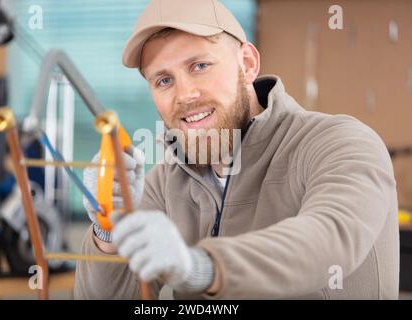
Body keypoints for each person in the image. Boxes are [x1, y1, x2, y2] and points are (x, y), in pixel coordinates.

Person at [74, 0, 399, 299]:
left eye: (199, 66)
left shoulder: (339, 143)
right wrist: (108, 230)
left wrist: (201, 267)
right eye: (163, 80)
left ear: (247, 63)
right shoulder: (162, 183)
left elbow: (330, 237)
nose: (184, 94)